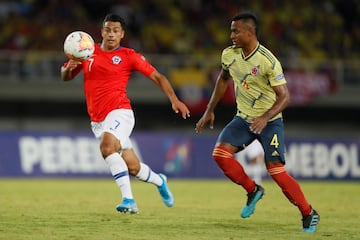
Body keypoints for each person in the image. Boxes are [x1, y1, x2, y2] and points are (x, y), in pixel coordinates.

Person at [195, 12, 319, 232]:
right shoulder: (229, 55)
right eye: (231, 30)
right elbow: (223, 80)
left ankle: (308, 212)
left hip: (270, 121)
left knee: (276, 171)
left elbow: (285, 97)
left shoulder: (268, 61)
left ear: (250, 32)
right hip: (243, 118)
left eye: (236, 30)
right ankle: (253, 190)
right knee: (220, 155)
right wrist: (209, 110)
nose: (231, 34)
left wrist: (264, 118)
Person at [61, 13, 190, 214]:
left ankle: (128, 200)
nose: (111, 34)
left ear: (122, 34)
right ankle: (160, 180)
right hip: (98, 120)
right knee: (133, 167)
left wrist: (174, 99)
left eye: (115, 31)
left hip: (120, 112)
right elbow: (66, 77)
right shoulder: (87, 50)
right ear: (101, 31)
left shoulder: (129, 56)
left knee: (107, 148)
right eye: (107, 30)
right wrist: (69, 68)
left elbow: (158, 76)